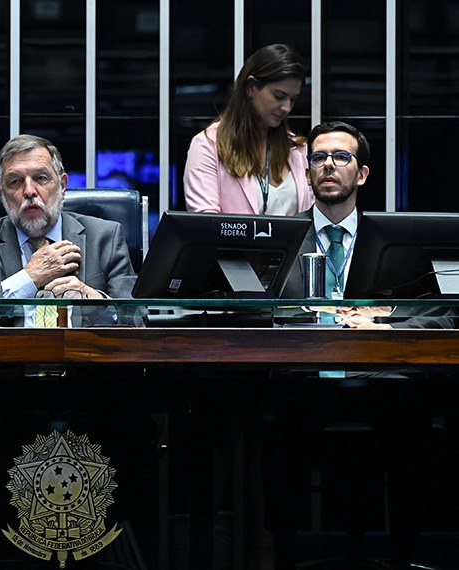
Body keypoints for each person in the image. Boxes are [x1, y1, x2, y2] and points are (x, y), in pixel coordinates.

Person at [265, 121, 450, 569]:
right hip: (300, 384)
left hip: (383, 386)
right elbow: (248, 310)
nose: (328, 165)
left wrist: (391, 324)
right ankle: (283, 558)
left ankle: (403, 557)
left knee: (416, 414)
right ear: (306, 173)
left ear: (362, 174)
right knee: (263, 415)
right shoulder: (273, 238)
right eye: (317, 158)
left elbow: (440, 313)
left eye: (341, 157)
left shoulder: (399, 242)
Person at [0, 134, 136, 326]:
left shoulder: (106, 237)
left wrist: (97, 303)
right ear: (0, 193)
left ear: (62, 185)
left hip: (86, 352)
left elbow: (136, 320)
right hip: (8, 353)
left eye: (41, 178)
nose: (29, 191)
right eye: (15, 181)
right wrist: (28, 279)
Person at [184, 43, 314, 215]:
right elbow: (207, 225)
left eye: (293, 99)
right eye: (279, 96)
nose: (287, 108)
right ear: (251, 87)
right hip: (227, 243)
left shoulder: (299, 149)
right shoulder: (207, 146)